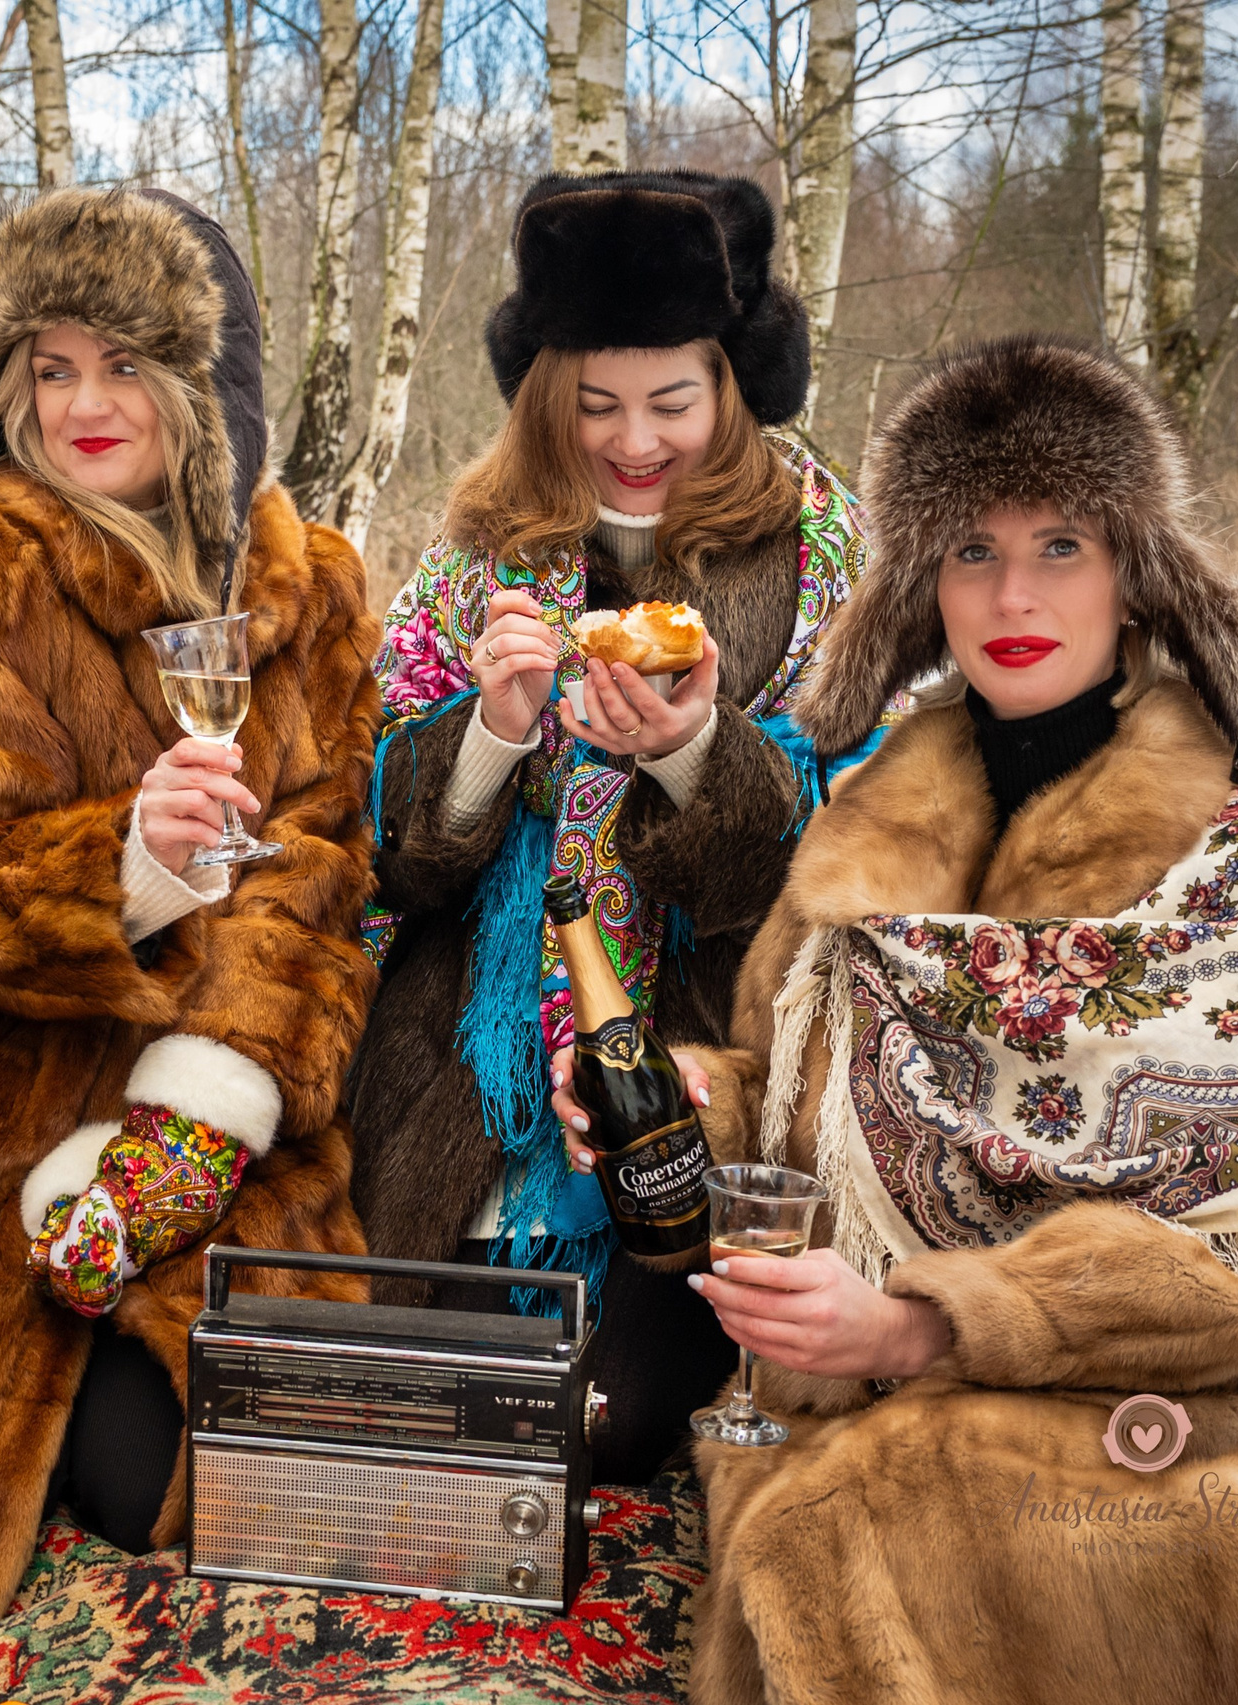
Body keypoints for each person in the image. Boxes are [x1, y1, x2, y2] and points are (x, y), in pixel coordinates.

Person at [650, 335, 1238, 1701]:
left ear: (1137, 574)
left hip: (1189, 1426)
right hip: (860, 1411)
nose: (1014, 592)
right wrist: (697, 1107)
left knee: (868, 1529)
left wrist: (935, 1323)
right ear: (923, 590)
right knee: (841, 1521)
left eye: (1060, 544)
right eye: (971, 551)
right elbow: (800, 1100)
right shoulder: (872, 830)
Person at [0, 187, 383, 1637]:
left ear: (200, 383)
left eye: (124, 363)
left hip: (233, 1093)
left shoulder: (301, 584)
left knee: (259, 1494)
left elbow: (324, 857)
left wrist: (205, 1107)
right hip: (24, 1083)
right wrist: (126, 870)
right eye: (50, 368)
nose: (83, 406)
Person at [345, 170, 882, 1485]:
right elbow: (382, 850)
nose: (633, 441)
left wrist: (697, 751)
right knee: (442, 1405)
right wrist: (492, 732)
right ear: (547, 400)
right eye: (596, 406)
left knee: (617, 1424)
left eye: (672, 402)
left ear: (735, 387)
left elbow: (840, 855)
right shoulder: (479, 541)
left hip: (702, 1040)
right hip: (468, 1031)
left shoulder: (820, 551)